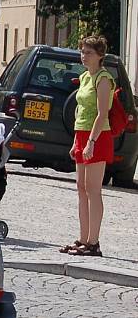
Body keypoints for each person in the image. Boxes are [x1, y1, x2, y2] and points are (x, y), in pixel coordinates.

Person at [60, 36, 115, 257]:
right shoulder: (84, 77)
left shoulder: (103, 79)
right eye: (82, 52)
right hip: (82, 133)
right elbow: (79, 110)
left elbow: (102, 114)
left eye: (89, 52)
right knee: (81, 188)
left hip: (98, 135)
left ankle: (94, 242)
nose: (84, 56)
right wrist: (76, 141)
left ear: (100, 55)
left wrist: (91, 142)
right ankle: (83, 238)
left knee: (93, 189)